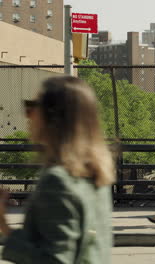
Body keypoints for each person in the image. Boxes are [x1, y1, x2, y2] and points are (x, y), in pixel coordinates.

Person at [0, 76, 115, 263]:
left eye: (33, 107)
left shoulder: (58, 181)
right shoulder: (97, 174)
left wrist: (5, 226)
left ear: (52, 117)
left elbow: (54, 260)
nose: (27, 115)